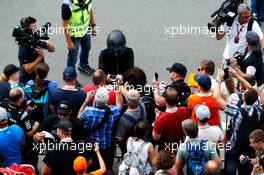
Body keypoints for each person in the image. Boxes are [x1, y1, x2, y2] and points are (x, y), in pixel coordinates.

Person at [214, 70, 264, 175]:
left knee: (230, 171)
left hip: (234, 147)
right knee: (246, 170)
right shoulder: (259, 110)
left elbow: (216, 97)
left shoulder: (236, 112)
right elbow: (252, 89)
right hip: (250, 147)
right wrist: (237, 76)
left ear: (243, 98)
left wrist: (219, 78)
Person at [78, 86, 123, 174]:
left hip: (90, 145)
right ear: (107, 101)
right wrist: (118, 90)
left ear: (94, 99)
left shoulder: (88, 111)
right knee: (105, 168)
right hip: (106, 146)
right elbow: (119, 105)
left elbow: (79, 116)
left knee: (91, 168)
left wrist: (87, 100)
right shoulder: (112, 112)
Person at [61, 0, 96, 75]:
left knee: (86, 48)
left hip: (86, 31)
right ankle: (71, 76)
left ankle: (83, 65)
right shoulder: (67, 5)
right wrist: (69, 42)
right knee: (73, 57)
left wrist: (93, 26)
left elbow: (89, 10)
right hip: (74, 36)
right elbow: (64, 24)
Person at [152, 85, 190, 153]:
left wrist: (156, 120)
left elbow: (155, 137)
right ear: (178, 98)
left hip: (166, 153)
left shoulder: (161, 118)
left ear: (165, 100)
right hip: (181, 150)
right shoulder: (185, 111)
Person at [18, 16, 55, 84]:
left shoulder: (36, 39)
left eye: (36, 27)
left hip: (40, 77)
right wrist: (40, 57)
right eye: (34, 28)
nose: (37, 29)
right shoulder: (23, 47)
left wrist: (44, 41)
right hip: (28, 82)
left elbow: (52, 49)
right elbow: (28, 70)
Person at [116, 89, 147, 155]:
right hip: (142, 141)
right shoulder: (142, 106)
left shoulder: (123, 119)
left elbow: (120, 139)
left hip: (129, 147)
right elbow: (134, 99)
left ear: (127, 101)